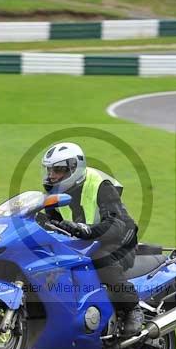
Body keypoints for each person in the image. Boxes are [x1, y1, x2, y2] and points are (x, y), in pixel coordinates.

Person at [37, 142, 144, 336]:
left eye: (58, 170)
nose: (51, 175)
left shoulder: (100, 185)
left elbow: (117, 225)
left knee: (100, 260)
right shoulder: (52, 193)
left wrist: (85, 230)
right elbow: (51, 224)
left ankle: (132, 309)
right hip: (85, 241)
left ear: (74, 169)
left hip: (120, 240)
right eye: (49, 169)